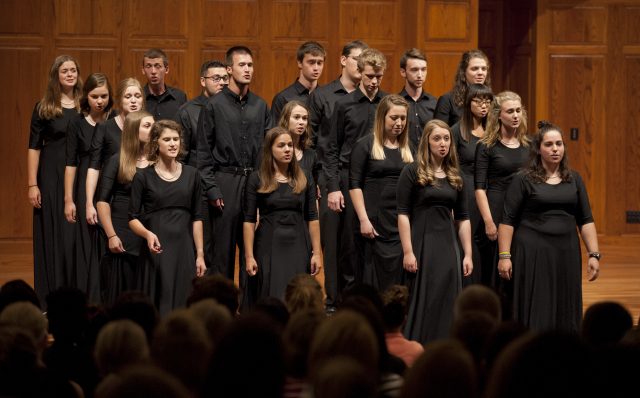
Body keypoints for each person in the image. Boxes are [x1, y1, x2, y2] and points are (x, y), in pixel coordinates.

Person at [497, 121, 600, 332]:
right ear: (538, 149)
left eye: (559, 144)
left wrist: (594, 254)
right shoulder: (523, 179)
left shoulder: (574, 178)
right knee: (537, 300)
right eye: (549, 144)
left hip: (566, 249)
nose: (555, 149)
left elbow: (586, 219)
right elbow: (507, 221)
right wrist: (504, 256)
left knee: (565, 299)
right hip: (533, 251)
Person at [196, 46, 271, 304]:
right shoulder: (213, 106)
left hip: (254, 182)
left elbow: (267, 152)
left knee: (253, 250)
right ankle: (221, 310)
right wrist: (212, 189)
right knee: (222, 254)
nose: (248, 69)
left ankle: (250, 311)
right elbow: (203, 154)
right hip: (224, 181)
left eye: (250, 64)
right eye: (242, 65)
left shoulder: (261, 106)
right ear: (229, 70)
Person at [397, 119, 473, 343]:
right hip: (422, 242)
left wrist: (467, 253)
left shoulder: (455, 175)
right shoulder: (412, 172)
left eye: (446, 138)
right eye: (437, 138)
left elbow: (463, 218)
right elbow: (402, 214)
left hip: (448, 245)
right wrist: (408, 251)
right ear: (426, 142)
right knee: (424, 295)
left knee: (447, 294)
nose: (442, 143)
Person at [308, 39, 368, 311]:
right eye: (357, 59)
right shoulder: (323, 95)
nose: (362, 65)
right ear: (343, 60)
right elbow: (314, 142)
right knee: (332, 242)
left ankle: (356, 301)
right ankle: (332, 302)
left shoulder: (370, 97)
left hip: (363, 178)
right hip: (331, 175)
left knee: (356, 241)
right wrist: (321, 182)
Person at [325, 47, 388, 290]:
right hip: (349, 178)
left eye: (378, 77)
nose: (374, 81)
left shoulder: (387, 104)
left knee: (379, 239)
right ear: (360, 73)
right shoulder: (344, 105)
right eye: (370, 76)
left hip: (378, 179)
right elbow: (331, 148)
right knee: (349, 244)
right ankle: (347, 301)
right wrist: (332, 187)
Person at [130, 120, 206, 315]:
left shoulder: (192, 175)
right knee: (158, 300)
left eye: (176, 139)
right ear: (156, 143)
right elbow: (132, 218)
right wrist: (147, 235)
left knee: (184, 299)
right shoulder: (143, 177)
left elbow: (198, 218)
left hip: (183, 249)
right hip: (157, 248)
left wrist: (199, 254)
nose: (173, 143)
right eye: (167, 139)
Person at [243, 127, 322, 302]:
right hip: (268, 245)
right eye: (281, 145)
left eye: (290, 145)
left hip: (298, 244)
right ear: (270, 149)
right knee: (270, 293)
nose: (287, 149)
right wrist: (249, 256)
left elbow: (313, 217)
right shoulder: (257, 178)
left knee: (298, 294)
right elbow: (248, 220)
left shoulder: (305, 176)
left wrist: (316, 253)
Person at [28, 55, 82, 305]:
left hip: (79, 173)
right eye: (64, 71)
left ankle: (77, 294)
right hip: (51, 173)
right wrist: (32, 184)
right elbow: (34, 147)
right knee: (53, 231)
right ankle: (51, 297)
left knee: (75, 234)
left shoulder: (86, 104)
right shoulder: (44, 107)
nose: (70, 74)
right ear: (56, 76)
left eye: (73, 70)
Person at [349, 94, 413, 290]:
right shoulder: (365, 145)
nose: (399, 122)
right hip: (374, 221)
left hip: (400, 220)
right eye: (394, 117)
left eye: (403, 118)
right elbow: (354, 185)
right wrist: (363, 219)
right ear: (382, 117)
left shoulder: (409, 148)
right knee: (372, 273)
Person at [474, 91, 529, 307]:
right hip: (496, 210)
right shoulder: (486, 146)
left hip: (523, 212)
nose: (515, 115)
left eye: (518, 110)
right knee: (496, 270)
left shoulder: (529, 145)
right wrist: (488, 221)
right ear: (498, 115)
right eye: (510, 111)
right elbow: (479, 188)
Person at [64, 72, 113, 303]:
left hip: (110, 183)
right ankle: (88, 299)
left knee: (107, 239)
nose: (100, 101)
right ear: (87, 96)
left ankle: (106, 295)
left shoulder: (115, 121)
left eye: (104, 96)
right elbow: (71, 163)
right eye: (95, 96)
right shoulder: (76, 122)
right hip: (86, 182)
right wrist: (68, 199)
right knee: (86, 242)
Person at [96, 111, 153, 306]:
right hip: (123, 236)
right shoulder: (117, 160)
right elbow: (102, 201)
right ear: (133, 130)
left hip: (150, 233)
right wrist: (111, 235)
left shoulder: (158, 161)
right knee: (124, 295)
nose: (153, 129)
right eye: (147, 126)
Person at [86, 78, 145, 227]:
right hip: (113, 197)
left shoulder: (148, 127)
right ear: (119, 100)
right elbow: (94, 166)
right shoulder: (105, 128)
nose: (133, 101)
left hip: (142, 198)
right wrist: (89, 202)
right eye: (128, 96)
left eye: (137, 96)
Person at [451, 84, 493, 285]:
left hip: (491, 191)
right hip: (466, 190)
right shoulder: (457, 131)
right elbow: (450, 167)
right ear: (468, 103)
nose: (484, 105)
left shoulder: (494, 130)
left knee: (489, 240)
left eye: (487, 101)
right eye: (478, 100)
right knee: (470, 241)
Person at [177, 60, 228, 167]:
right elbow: (180, 155)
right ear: (203, 81)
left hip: (226, 177)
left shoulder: (233, 108)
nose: (222, 82)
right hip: (198, 176)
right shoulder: (187, 111)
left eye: (225, 78)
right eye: (216, 78)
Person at [271, 41, 326, 122]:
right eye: (311, 62)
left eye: (319, 63)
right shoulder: (283, 98)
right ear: (300, 63)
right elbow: (276, 133)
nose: (316, 68)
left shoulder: (326, 97)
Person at [434, 49, 490, 127]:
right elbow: (438, 133)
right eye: (475, 69)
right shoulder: (447, 100)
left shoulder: (492, 100)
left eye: (484, 69)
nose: (480, 73)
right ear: (463, 72)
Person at [398, 48, 438, 149]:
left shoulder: (435, 103)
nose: (420, 75)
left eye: (423, 69)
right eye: (414, 70)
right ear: (403, 72)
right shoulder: (395, 103)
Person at [278, 100, 319, 183]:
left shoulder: (311, 155)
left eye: (304, 118)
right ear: (286, 119)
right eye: (296, 117)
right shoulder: (272, 150)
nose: (301, 122)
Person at [141, 48, 187, 120]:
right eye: (148, 66)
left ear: (167, 69)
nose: (153, 71)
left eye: (157, 66)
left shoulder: (179, 97)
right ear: (143, 70)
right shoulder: (138, 97)